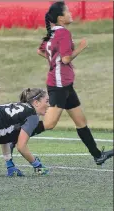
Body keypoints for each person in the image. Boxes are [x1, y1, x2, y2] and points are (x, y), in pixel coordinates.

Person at [33, 1, 114, 165]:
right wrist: (82, 47)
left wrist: (54, 61)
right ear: (61, 18)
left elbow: (40, 51)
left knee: (80, 121)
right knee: (49, 124)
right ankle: (13, 136)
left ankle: (97, 155)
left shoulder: (53, 33)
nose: (71, 14)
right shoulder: (63, 33)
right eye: (68, 12)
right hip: (59, 86)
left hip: (65, 85)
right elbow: (66, 58)